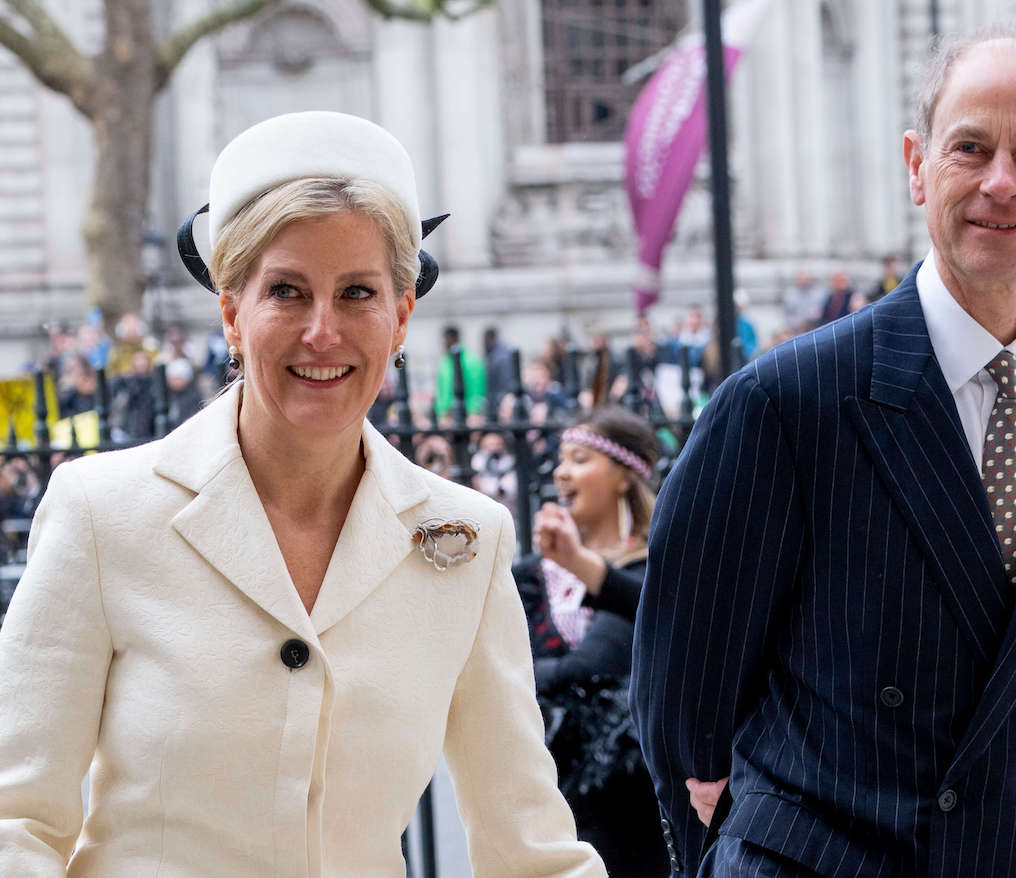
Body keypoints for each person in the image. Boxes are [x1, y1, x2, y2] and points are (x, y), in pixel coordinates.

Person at [631, 27, 1016, 878]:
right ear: (918, 164)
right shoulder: (783, 403)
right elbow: (681, 714)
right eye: (972, 147)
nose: (1002, 181)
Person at [0, 111, 605, 877]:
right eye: (286, 292)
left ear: (401, 318)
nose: (323, 332)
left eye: (357, 293)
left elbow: (532, 850)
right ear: (230, 313)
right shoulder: (100, 512)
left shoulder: (467, 537)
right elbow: (14, 819)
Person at [516, 406, 667, 878]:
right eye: (561, 458)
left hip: (629, 800)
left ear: (624, 476)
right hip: (544, 788)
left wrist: (583, 565)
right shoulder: (530, 574)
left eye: (580, 459)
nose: (562, 471)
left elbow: (593, 664)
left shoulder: (653, 565)